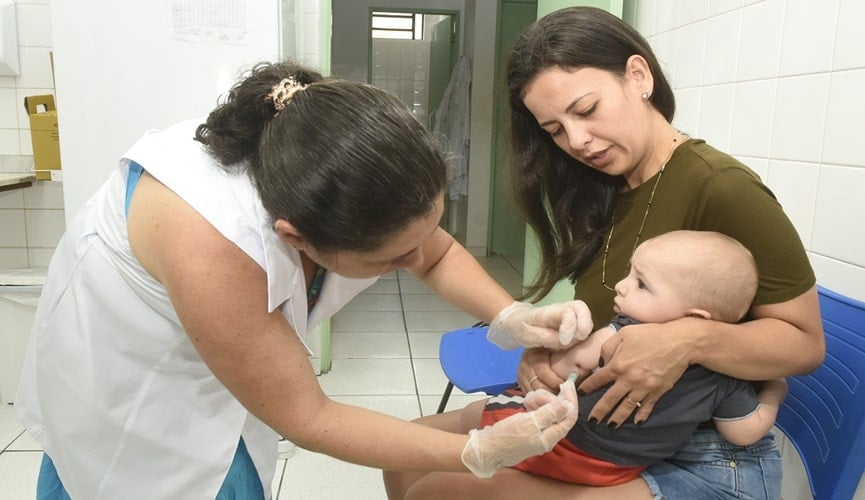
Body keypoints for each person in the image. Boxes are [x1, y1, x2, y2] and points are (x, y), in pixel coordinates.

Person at [14, 60, 597, 499]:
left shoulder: (334, 160)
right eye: (393, 258)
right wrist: (476, 451)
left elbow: (433, 253)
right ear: (295, 237)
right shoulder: (209, 239)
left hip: (224, 370)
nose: (417, 258)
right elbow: (308, 417)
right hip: (135, 402)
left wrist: (511, 316)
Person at [383, 6, 824, 499]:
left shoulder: (722, 188)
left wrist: (689, 340)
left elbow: (804, 345)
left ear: (639, 76)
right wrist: (544, 355)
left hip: (696, 449)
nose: (576, 141)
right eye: (554, 130)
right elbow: (610, 319)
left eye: (587, 110)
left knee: (437, 491)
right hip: (604, 423)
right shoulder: (603, 185)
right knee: (402, 457)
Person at [476, 230, 788, 487]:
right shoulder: (726, 375)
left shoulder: (625, 332)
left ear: (693, 317)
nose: (621, 286)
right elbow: (744, 432)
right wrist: (774, 390)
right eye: (630, 273)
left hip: (557, 447)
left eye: (641, 284)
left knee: (478, 418)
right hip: (614, 473)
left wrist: (560, 339)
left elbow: (562, 368)